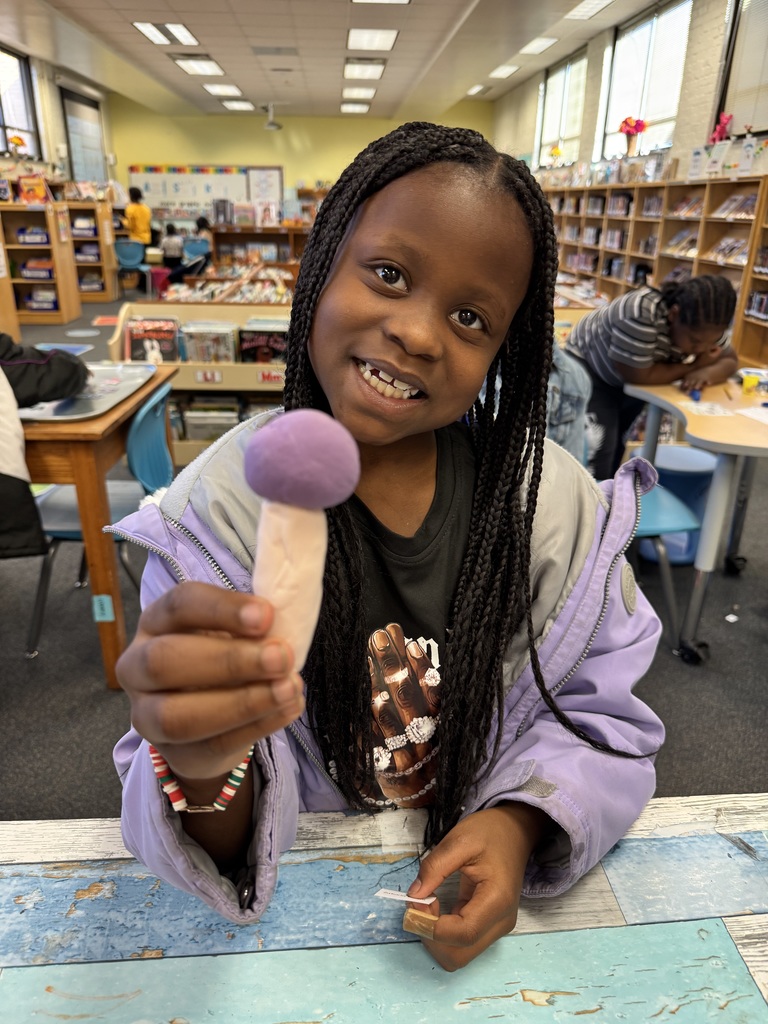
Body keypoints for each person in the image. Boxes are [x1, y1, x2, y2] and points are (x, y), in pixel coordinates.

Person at [113, 122, 664, 973]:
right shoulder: (212, 520)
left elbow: (604, 717)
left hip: (483, 932)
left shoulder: (552, 512)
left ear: (503, 354)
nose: (417, 333)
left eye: (472, 317)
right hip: (290, 928)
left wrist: (520, 825)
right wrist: (201, 766)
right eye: (390, 274)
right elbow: (206, 814)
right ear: (325, 260)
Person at [565, 276, 737, 479]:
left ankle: (608, 502)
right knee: (598, 450)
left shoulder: (705, 325)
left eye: (709, 344)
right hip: (591, 369)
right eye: (694, 341)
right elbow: (637, 375)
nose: (700, 349)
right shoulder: (639, 312)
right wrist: (695, 366)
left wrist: (705, 373)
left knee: (618, 445)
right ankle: (589, 505)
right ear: (674, 314)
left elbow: (730, 361)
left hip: (633, 379)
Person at [121, 186, 152, 253]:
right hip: (146, 238)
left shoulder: (130, 209)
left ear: (130, 196)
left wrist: (122, 220)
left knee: (134, 259)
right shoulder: (146, 208)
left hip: (135, 239)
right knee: (142, 259)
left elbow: (129, 226)